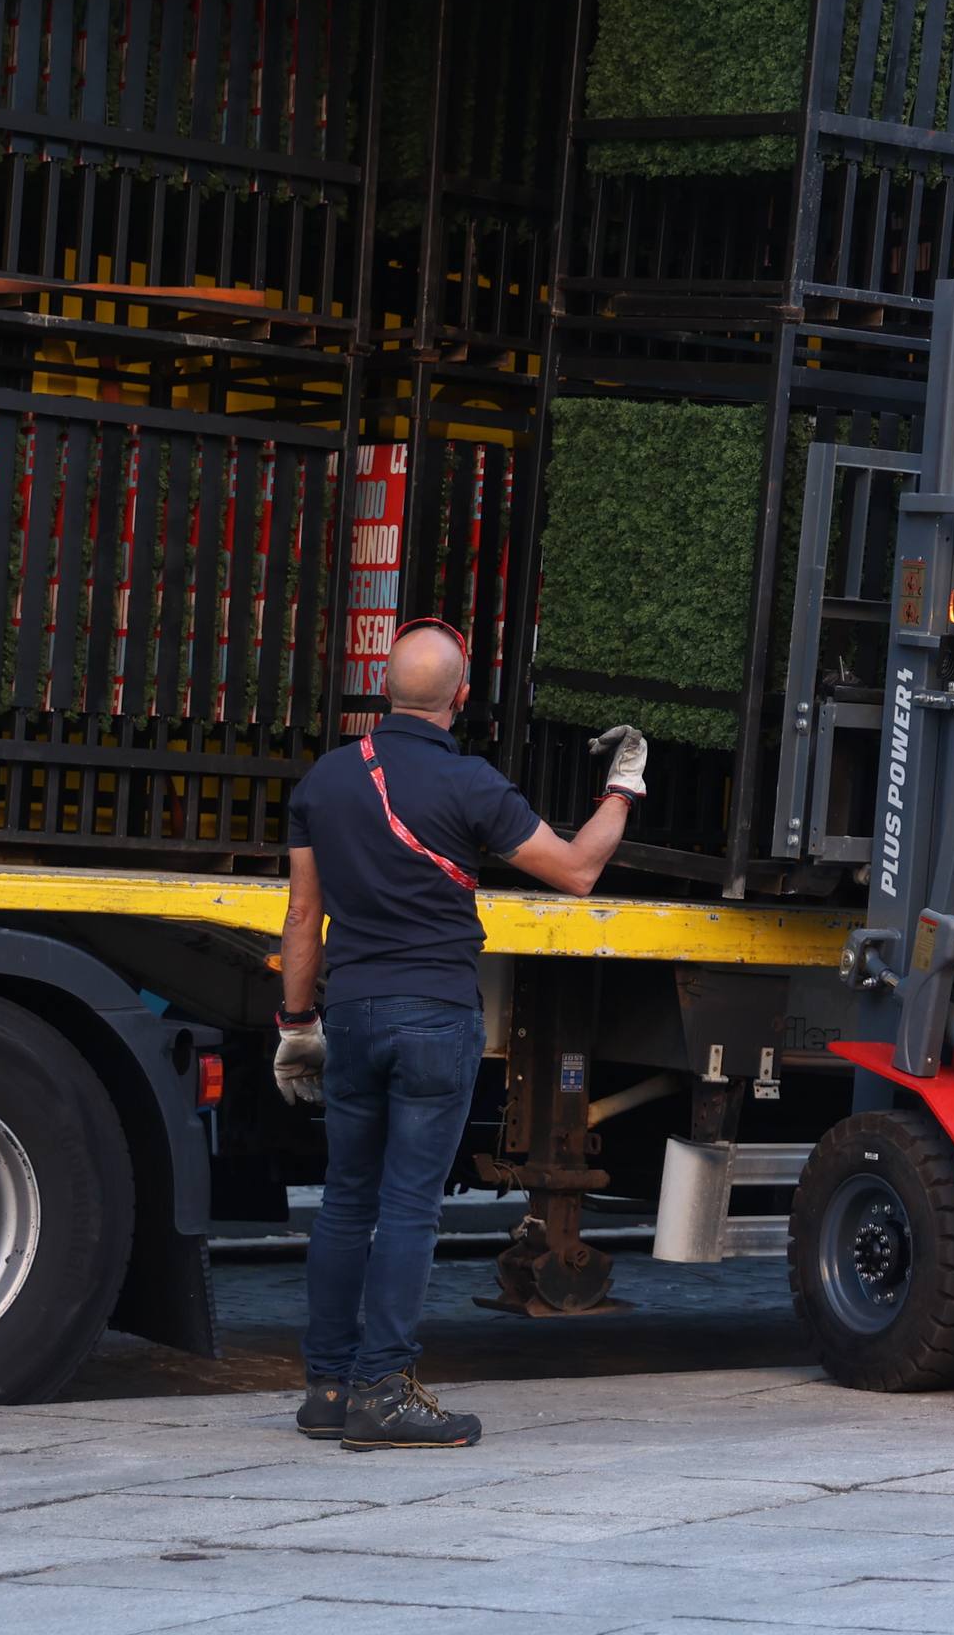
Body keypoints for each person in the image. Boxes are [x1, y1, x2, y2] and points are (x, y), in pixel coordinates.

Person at [270, 620, 646, 1449]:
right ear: (462, 697)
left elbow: (301, 916)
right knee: (408, 1205)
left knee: (344, 1200)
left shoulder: (326, 780)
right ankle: (384, 1392)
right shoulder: (470, 782)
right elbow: (578, 869)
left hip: (352, 1010)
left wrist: (296, 1023)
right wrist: (623, 786)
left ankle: (328, 1388)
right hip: (434, 1014)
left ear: (384, 688)